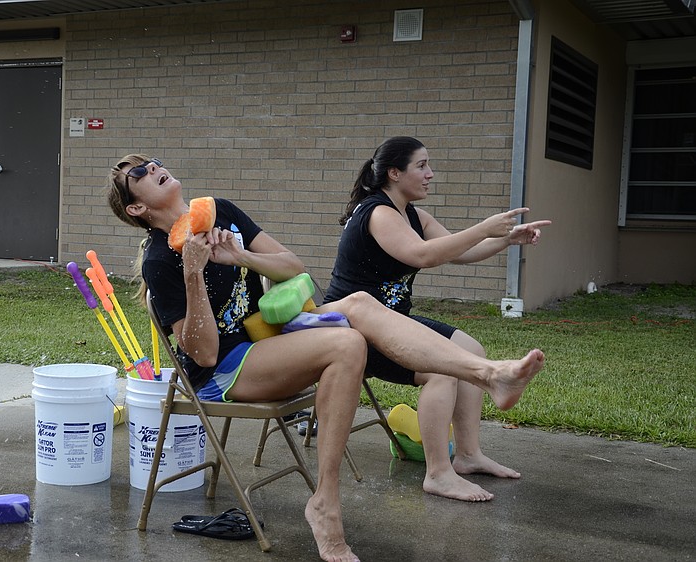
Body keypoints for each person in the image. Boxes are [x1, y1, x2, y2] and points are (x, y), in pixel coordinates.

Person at [106, 153, 545, 562]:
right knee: (347, 343)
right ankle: (325, 503)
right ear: (137, 209)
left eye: (153, 162)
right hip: (225, 371)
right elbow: (203, 352)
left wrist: (241, 256)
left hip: (267, 335)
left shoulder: (220, 211)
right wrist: (193, 272)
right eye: (139, 174)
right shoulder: (162, 261)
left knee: (358, 303)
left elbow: (294, 267)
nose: (153, 168)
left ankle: (489, 375)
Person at [324, 136, 553, 502]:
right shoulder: (378, 212)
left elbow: (461, 251)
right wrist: (483, 226)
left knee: (469, 348)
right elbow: (422, 255)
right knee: (441, 369)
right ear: (395, 173)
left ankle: (468, 455)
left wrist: (508, 239)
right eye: (422, 166)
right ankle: (438, 473)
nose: (430, 174)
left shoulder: (414, 214)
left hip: (394, 321)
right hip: (355, 330)